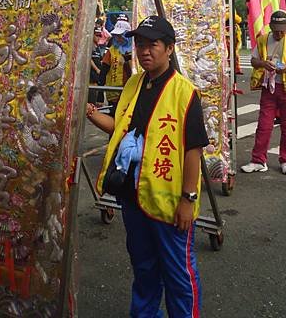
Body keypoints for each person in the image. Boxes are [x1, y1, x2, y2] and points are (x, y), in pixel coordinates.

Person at [87, 16, 208, 318]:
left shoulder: (184, 93)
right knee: (143, 268)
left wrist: (188, 199)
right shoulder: (133, 84)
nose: (144, 51)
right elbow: (119, 126)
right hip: (133, 195)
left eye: (152, 44)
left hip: (168, 204)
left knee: (179, 275)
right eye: (140, 44)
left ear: (169, 48)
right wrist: (91, 114)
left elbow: (193, 151)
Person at [241, 10, 286, 175]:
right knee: (263, 126)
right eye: (276, 29)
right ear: (270, 26)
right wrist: (263, 64)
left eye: (282, 29)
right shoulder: (263, 40)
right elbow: (253, 60)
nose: (279, 33)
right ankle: (258, 160)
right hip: (268, 88)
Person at [98, 19, 132, 116]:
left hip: (130, 93)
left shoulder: (135, 50)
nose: (118, 38)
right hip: (113, 94)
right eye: (116, 35)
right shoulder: (112, 51)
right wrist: (100, 93)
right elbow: (104, 71)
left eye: (120, 35)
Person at [89, 26, 103, 104]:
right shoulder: (90, 45)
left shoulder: (97, 47)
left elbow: (99, 59)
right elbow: (89, 59)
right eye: (97, 35)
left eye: (100, 35)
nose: (98, 37)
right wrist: (96, 69)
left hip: (96, 77)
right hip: (91, 75)